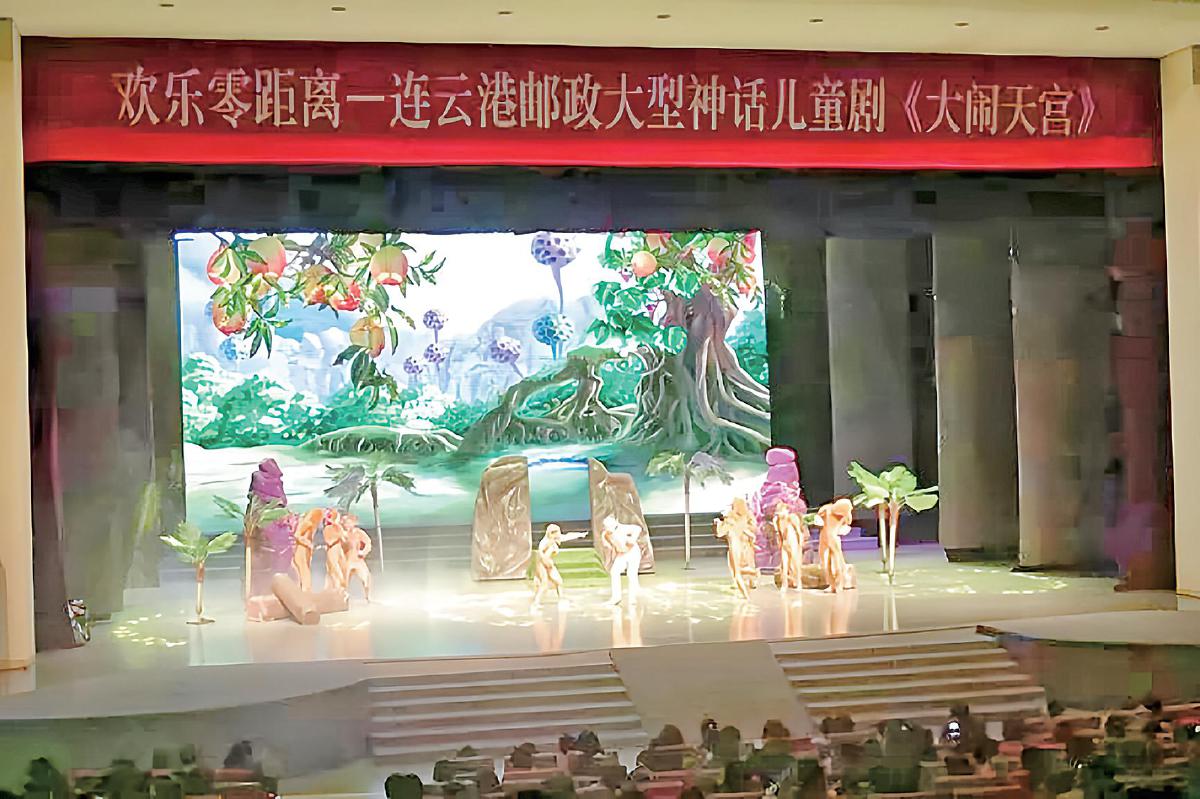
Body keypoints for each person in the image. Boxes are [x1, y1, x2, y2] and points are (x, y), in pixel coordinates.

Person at [532, 523, 586, 608]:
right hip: (542, 564)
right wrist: (544, 562)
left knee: (559, 581)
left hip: (549, 563)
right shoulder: (545, 542)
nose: (559, 534)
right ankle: (536, 602)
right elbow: (540, 553)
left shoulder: (555, 539)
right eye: (557, 532)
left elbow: (568, 536)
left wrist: (580, 534)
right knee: (544, 584)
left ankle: (561, 599)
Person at [602, 515, 642, 606]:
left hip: (633, 552)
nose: (607, 527)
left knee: (631, 574)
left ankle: (632, 598)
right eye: (606, 526)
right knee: (614, 572)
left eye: (609, 525)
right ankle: (616, 598)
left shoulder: (623, 528)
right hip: (621, 553)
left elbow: (638, 528)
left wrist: (632, 539)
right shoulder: (605, 534)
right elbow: (611, 546)